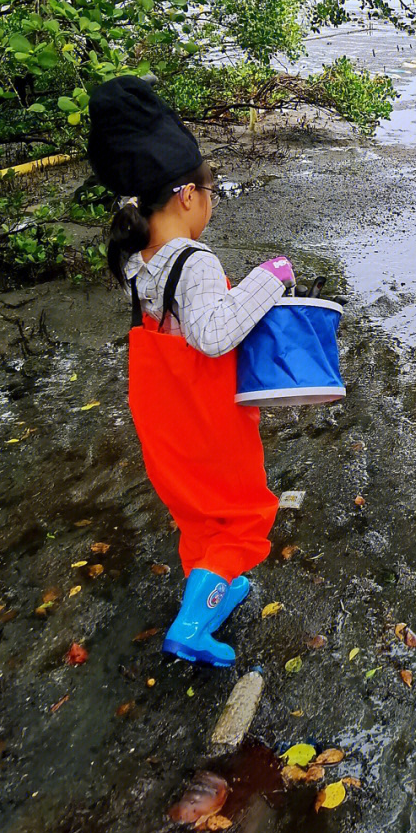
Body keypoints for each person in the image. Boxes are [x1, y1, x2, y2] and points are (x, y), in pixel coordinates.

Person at [87, 76, 293, 667]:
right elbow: (212, 335)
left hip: (163, 418)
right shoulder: (195, 260)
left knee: (198, 512)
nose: (212, 202)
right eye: (212, 192)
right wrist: (271, 277)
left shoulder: (137, 259)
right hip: (206, 419)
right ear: (186, 196)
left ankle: (212, 588)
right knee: (243, 514)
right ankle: (191, 628)